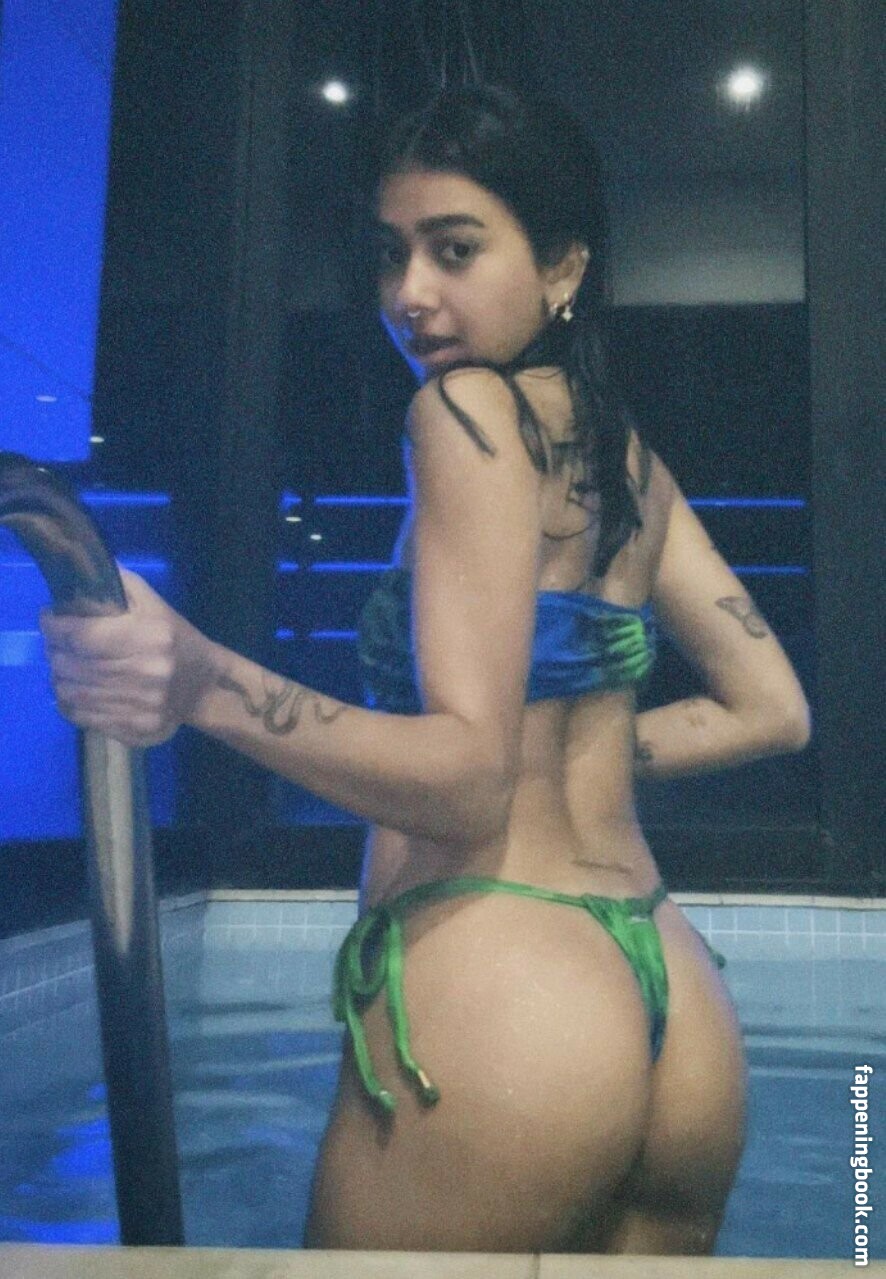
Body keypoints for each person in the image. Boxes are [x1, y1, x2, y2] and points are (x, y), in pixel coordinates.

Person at [41, 83, 811, 1255]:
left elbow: (462, 781)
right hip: (674, 994)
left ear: (562, 266)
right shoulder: (627, 462)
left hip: (505, 1001)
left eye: (454, 250)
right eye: (391, 253)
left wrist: (197, 679)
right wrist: (575, 756)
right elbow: (772, 708)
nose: (409, 293)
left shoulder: (461, 412)